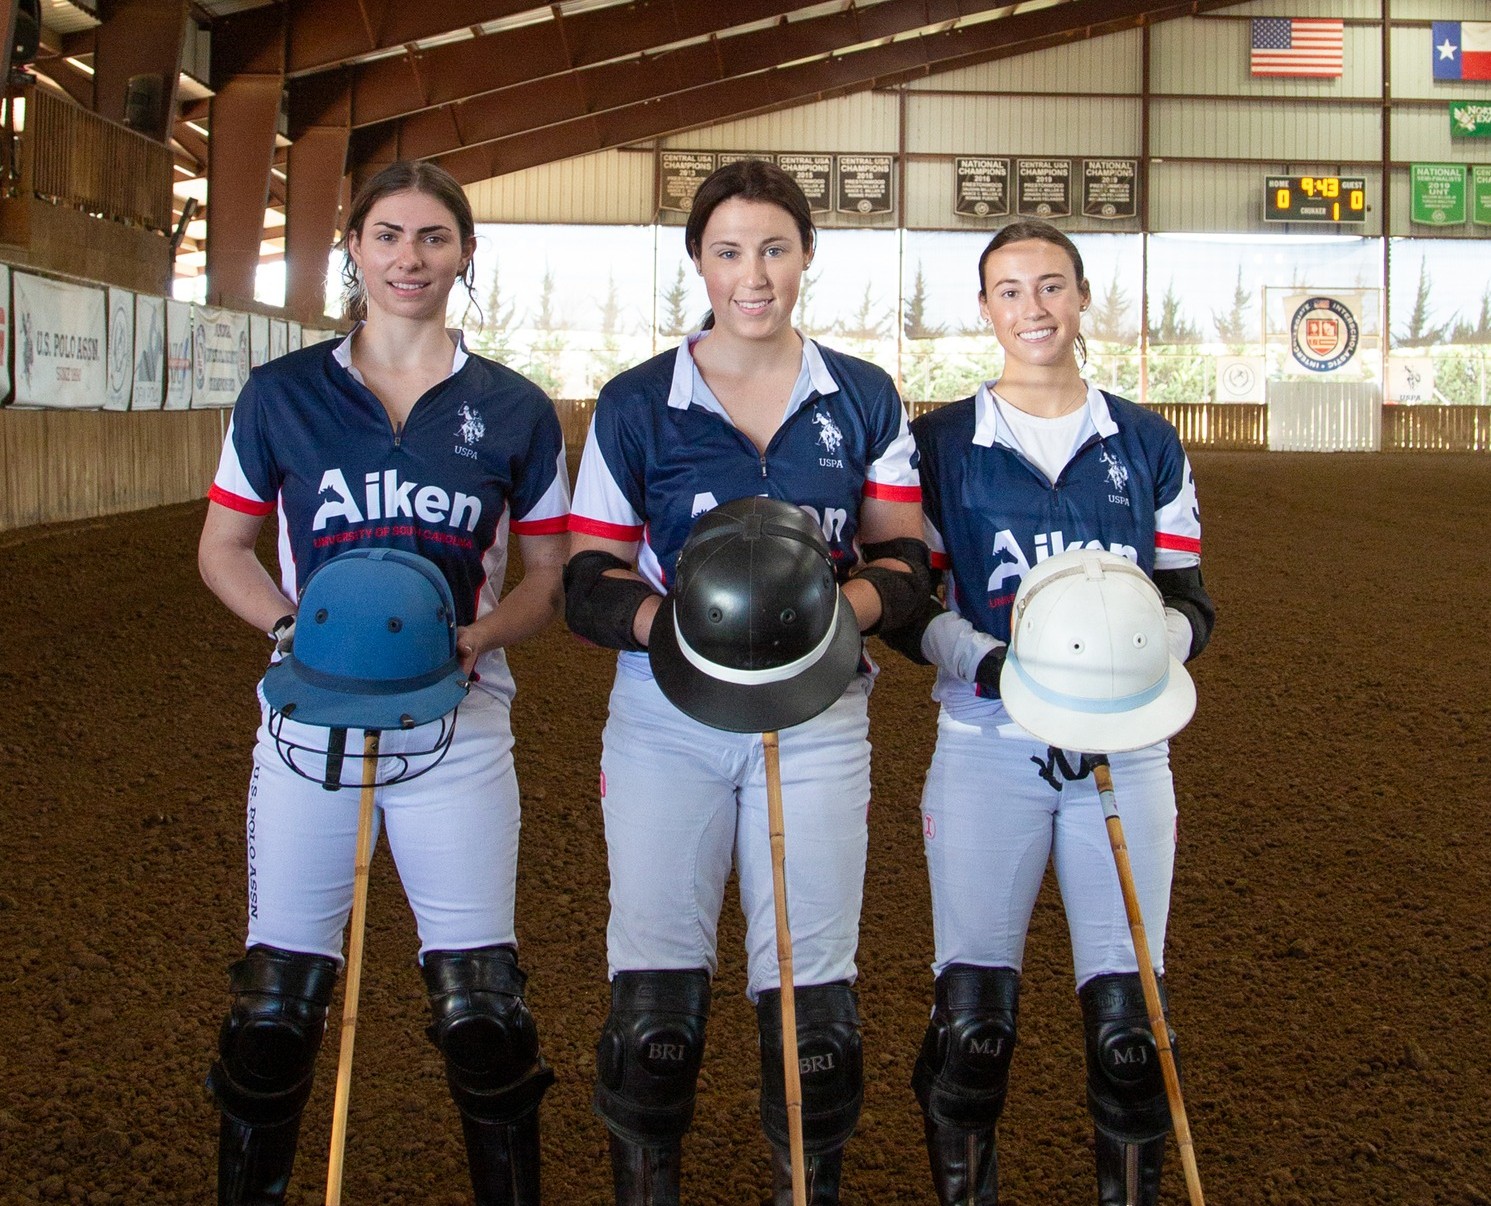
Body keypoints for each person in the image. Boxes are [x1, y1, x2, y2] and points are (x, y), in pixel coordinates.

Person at [197, 159, 571, 1206]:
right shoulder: (281, 394)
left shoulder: (514, 410)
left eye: (434, 239)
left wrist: (478, 635)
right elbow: (225, 548)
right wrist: (291, 627)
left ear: (464, 254)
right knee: (275, 1007)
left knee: (483, 1009)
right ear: (353, 248)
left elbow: (546, 575)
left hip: (458, 722)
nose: (411, 259)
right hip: (309, 723)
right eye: (389, 236)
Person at [563, 158, 929, 1206]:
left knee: (815, 1012)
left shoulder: (861, 396)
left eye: (774, 248)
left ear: (806, 256)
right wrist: (670, 627)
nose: (753, 275)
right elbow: (591, 579)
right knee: (656, 1013)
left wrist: (825, 620)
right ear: (699, 264)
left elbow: (904, 562)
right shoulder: (639, 403)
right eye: (729, 252)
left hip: (819, 717)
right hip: (667, 719)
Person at [893, 221, 1215, 1206]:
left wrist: (1148, 655)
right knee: (975, 1028)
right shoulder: (938, 444)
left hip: (1128, 758)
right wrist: (990, 663)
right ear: (985, 308)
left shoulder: (1148, 442)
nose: (1033, 309)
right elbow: (908, 609)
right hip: (987, 751)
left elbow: (1191, 599)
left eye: (1050, 287)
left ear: (1082, 298)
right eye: (1009, 290)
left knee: (1131, 1033)